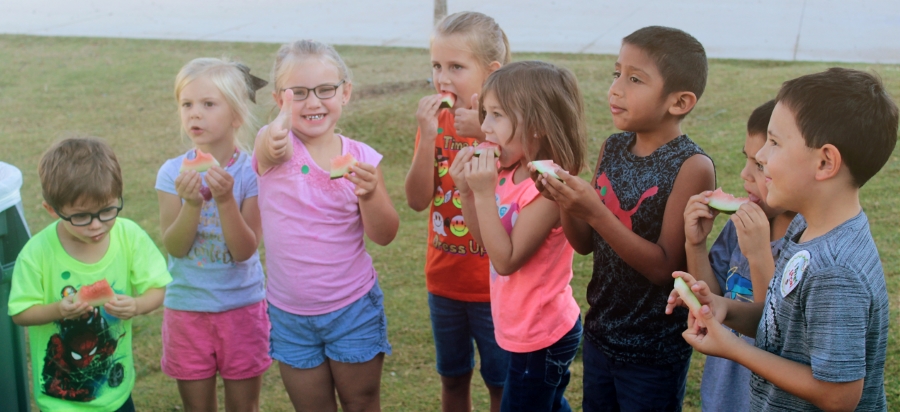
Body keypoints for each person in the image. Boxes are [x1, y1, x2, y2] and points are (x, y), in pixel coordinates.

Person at [670, 67, 897, 411]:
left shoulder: (836, 271)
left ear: (825, 162)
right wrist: (724, 309)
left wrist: (734, 349)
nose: (761, 156)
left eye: (774, 143)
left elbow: (839, 395)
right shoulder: (805, 229)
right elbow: (781, 320)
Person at [536, 26, 715, 411]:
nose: (616, 88)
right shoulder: (613, 147)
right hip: (601, 336)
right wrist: (566, 200)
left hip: (652, 353)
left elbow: (665, 266)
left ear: (680, 102)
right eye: (616, 73)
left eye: (634, 79)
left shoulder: (691, 166)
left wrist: (596, 213)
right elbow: (585, 244)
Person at [254, 39, 399, 412]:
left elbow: (384, 235)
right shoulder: (276, 147)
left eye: (325, 90)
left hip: (352, 308)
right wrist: (278, 127)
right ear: (278, 99)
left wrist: (369, 195)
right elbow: (271, 145)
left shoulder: (362, 158)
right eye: (298, 93)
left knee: (361, 402)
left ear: (345, 92)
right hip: (289, 316)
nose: (314, 102)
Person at [451, 60, 587, 412]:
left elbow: (506, 260)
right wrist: (467, 192)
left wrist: (482, 194)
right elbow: (486, 242)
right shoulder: (505, 171)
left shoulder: (547, 187)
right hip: (521, 328)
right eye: (485, 113)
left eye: (497, 115)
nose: (484, 126)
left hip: (542, 334)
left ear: (538, 125)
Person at [8, 137, 172, 412]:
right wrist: (59, 309)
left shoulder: (128, 236)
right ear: (52, 210)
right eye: (82, 217)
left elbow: (158, 287)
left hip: (115, 393)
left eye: (107, 211)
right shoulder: (36, 253)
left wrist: (137, 305)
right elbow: (20, 313)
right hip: (60, 403)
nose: (97, 225)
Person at [403, 11, 511, 412]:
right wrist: (428, 137)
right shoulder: (438, 120)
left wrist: (481, 130)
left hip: (493, 285)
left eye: (456, 67)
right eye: (436, 66)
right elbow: (417, 199)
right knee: (452, 379)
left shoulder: (508, 124)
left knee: (501, 383)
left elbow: (516, 191)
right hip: (444, 280)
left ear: (491, 71)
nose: (442, 78)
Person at [156, 57, 270, 411]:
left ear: (236, 115)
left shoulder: (252, 174)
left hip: (242, 308)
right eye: (187, 104)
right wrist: (191, 205)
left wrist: (224, 200)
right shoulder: (172, 172)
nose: (195, 114)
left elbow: (245, 251)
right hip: (187, 309)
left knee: (244, 406)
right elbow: (174, 246)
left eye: (208, 104)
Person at [682, 99, 795, 411]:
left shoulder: (804, 244)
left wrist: (759, 254)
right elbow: (713, 297)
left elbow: (780, 331)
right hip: (723, 393)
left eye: (760, 166)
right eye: (748, 160)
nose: (745, 175)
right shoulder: (741, 224)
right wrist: (696, 244)